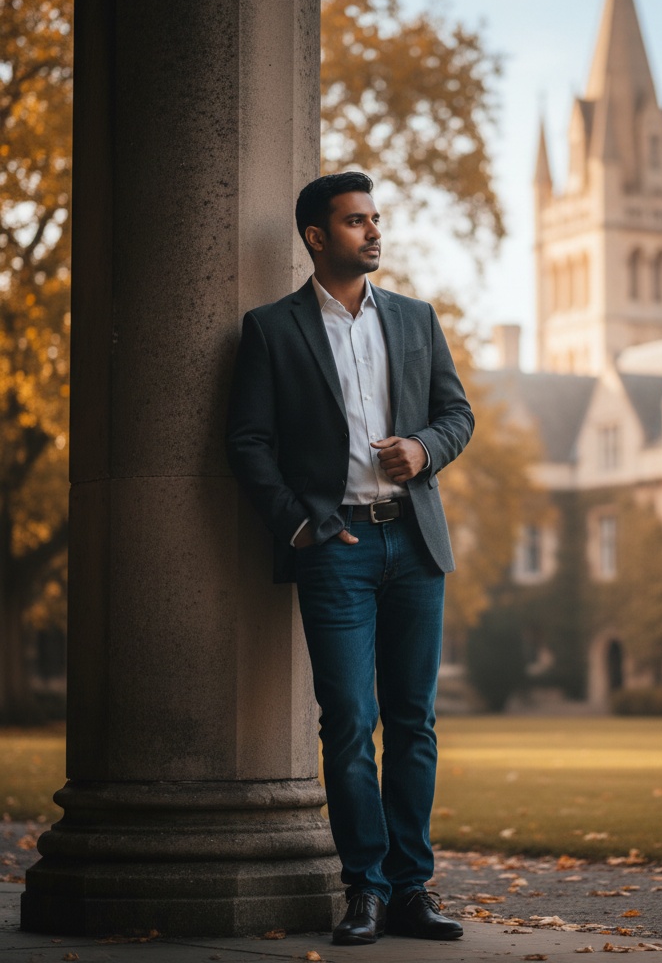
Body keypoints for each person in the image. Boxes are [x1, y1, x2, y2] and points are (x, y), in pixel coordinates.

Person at [225, 172, 473, 946]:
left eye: (375, 219)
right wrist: (301, 526)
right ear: (316, 236)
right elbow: (249, 442)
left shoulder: (414, 320)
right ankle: (362, 888)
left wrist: (423, 450)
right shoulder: (272, 329)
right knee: (349, 723)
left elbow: (456, 414)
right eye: (356, 221)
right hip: (337, 548)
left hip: (415, 542)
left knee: (414, 722)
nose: (373, 232)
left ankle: (411, 890)